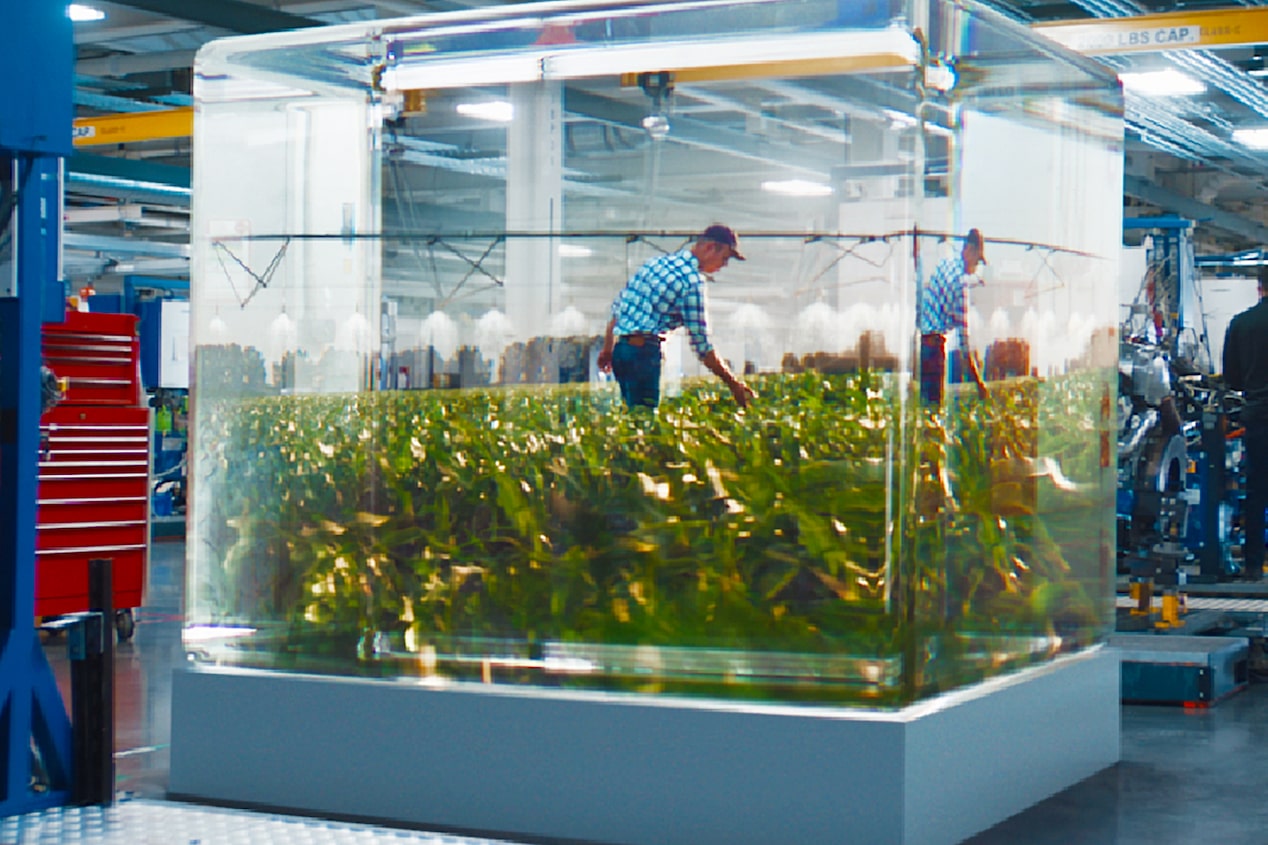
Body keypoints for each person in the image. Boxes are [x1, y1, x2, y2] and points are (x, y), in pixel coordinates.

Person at [597, 224, 757, 411]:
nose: (724, 265)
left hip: (622, 352)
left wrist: (608, 349)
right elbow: (701, 344)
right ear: (710, 247)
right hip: (643, 354)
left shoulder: (655, 264)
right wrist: (733, 384)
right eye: (724, 258)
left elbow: (617, 309)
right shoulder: (692, 281)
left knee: (631, 416)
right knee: (644, 421)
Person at [1223, 265, 1268, 581]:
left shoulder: (1241, 324)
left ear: (1259, 288)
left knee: (1256, 490)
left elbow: (1232, 379)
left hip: (1258, 417)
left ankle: (1253, 565)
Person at [918, 228, 989, 404]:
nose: (976, 267)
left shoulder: (944, 264)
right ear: (970, 251)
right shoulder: (961, 287)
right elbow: (964, 343)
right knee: (934, 406)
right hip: (935, 348)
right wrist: (979, 383)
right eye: (977, 261)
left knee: (924, 403)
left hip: (923, 344)